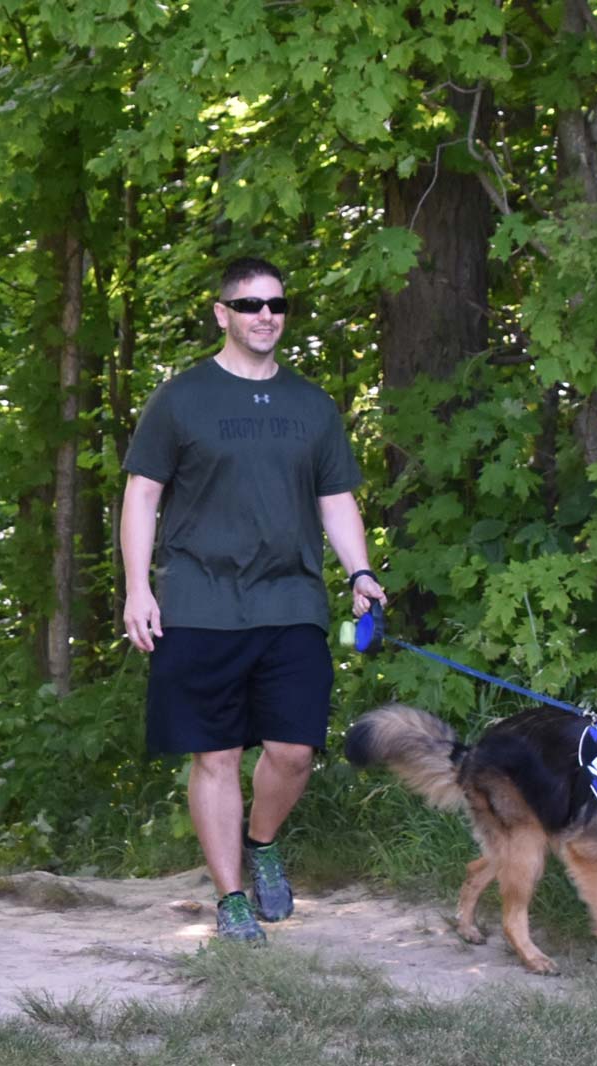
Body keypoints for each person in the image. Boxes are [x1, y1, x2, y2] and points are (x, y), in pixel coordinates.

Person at [120, 257, 387, 942]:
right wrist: (138, 586)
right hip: (199, 602)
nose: (265, 314)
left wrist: (359, 573)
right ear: (222, 314)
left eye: (276, 303)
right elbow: (142, 496)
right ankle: (231, 896)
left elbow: (336, 501)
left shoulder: (311, 405)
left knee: (295, 750)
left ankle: (261, 843)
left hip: (290, 601)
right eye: (248, 304)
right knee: (214, 756)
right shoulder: (181, 401)